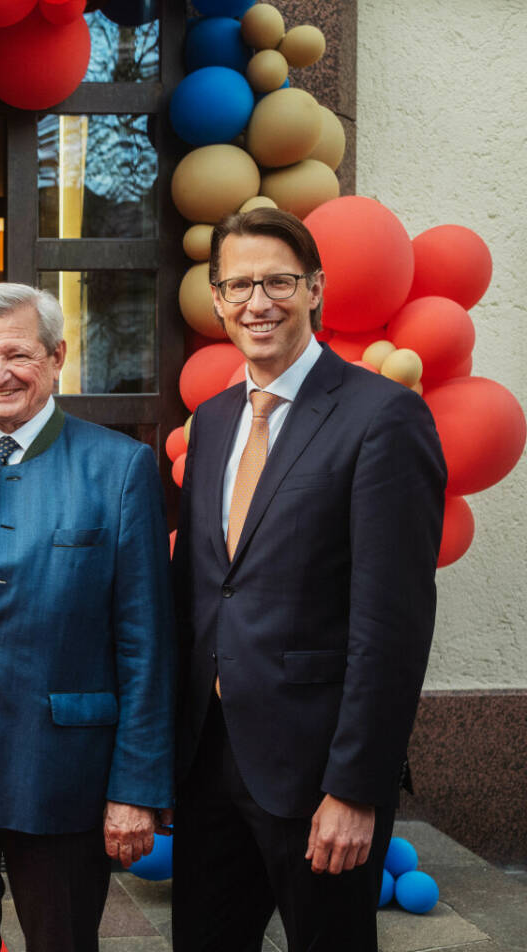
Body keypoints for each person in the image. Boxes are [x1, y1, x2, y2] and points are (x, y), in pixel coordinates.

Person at [172, 207, 446, 950]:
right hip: (208, 760)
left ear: (317, 287)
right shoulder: (218, 419)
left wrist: (357, 789)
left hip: (318, 770)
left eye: (278, 281)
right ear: (218, 299)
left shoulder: (382, 417)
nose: (257, 302)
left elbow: (391, 625)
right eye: (238, 285)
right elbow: (203, 591)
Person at [0, 282, 174, 952]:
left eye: (16, 354)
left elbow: (145, 642)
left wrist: (135, 787)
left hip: (60, 771)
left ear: (57, 357)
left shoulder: (120, 467)